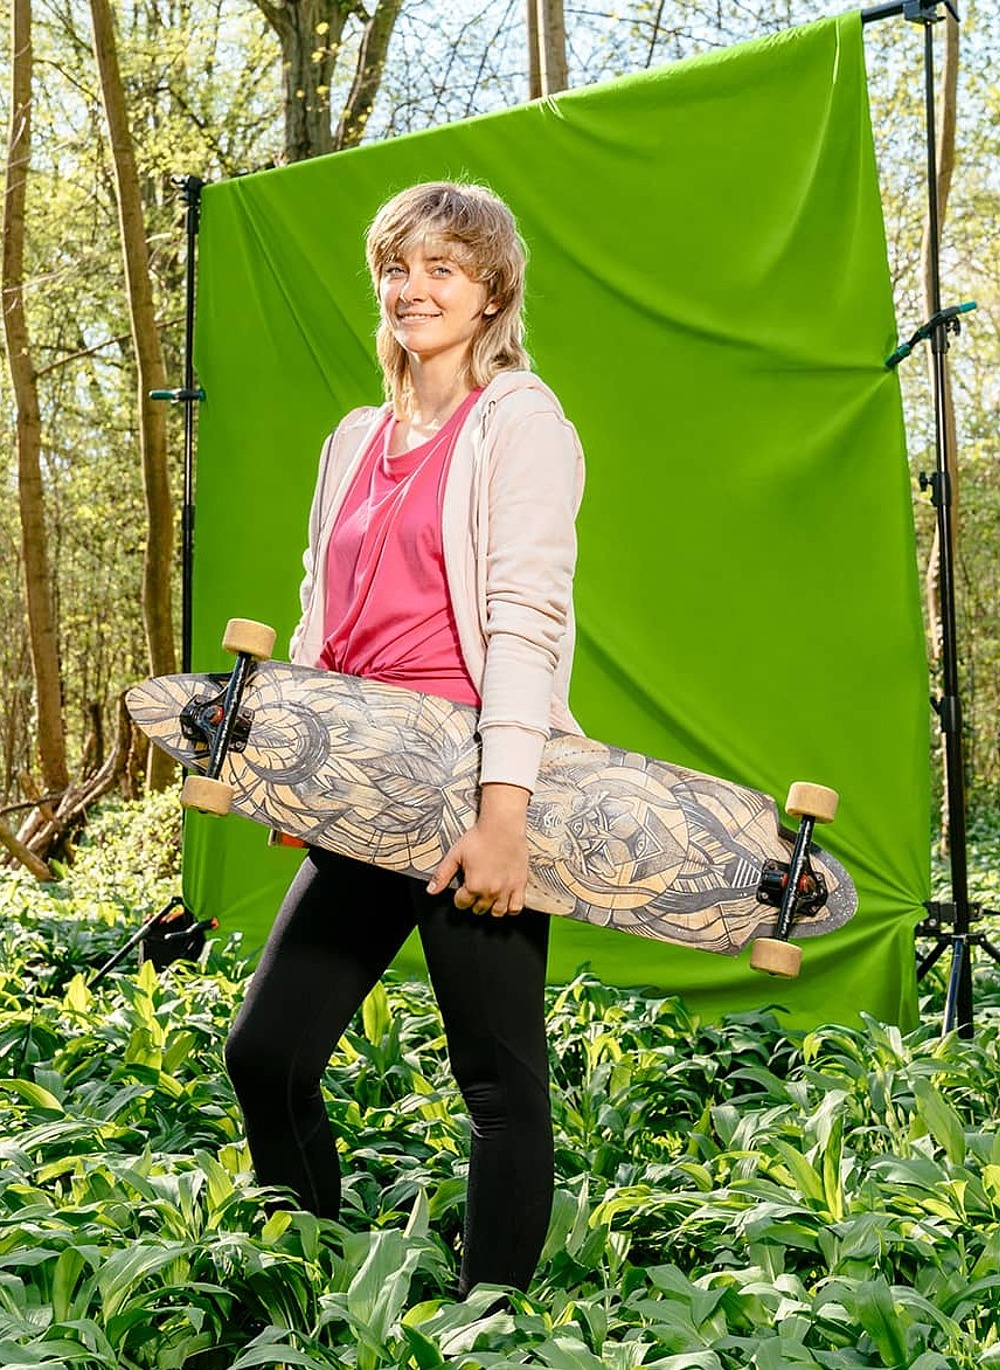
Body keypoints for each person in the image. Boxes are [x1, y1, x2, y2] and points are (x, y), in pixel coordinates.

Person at [224, 181, 586, 1296]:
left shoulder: (522, 420)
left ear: (490, 295)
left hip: (471, 782)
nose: (415, 286)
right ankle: (315, 1280)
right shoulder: (352, 437)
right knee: (268, 1050)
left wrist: (504, 815)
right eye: (399, 265)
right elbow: (319, 615)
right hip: (365, 777)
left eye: (445, 267)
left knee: (496, 1078)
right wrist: (302, 762)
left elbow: (529, 615)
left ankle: (496, 1320)